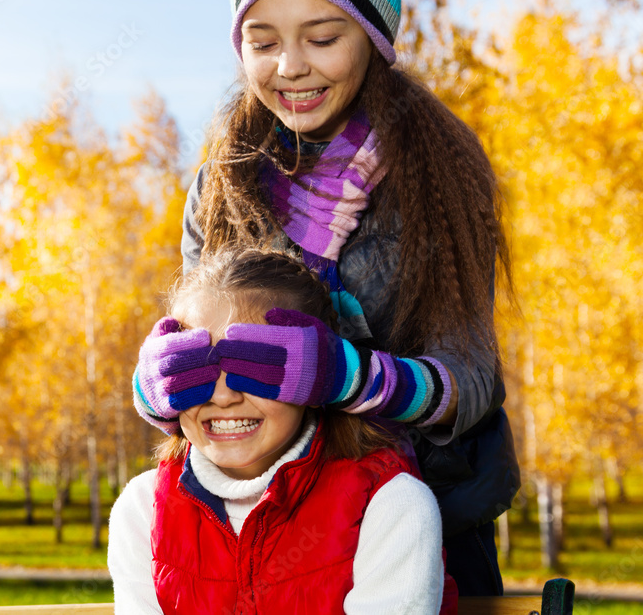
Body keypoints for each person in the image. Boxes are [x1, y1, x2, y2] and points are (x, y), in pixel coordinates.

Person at [132, 0, 520, 598]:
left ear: (372, 36)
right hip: (274, 522)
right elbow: (204, 356)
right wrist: (159, 386)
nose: (290, 66)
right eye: (262, 41)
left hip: (423, 519)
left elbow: (473, 380)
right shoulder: (222, 182)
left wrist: (348, 376)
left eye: (322, 37)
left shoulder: (439, 173)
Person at [112, 248, 458, 614]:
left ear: (313, 382)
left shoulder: (391, 505)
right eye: (194, 370)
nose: (224, 396)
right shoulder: (143, 509)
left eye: (256, 368)